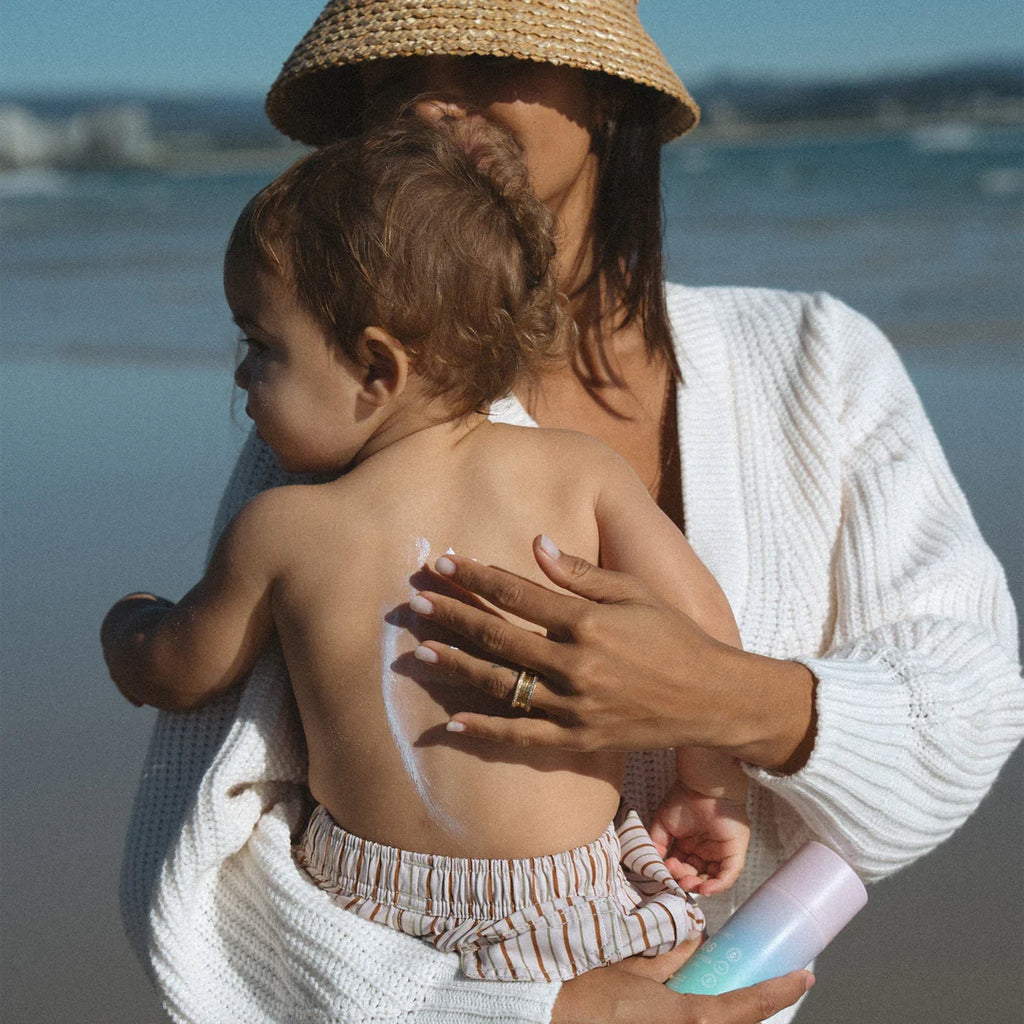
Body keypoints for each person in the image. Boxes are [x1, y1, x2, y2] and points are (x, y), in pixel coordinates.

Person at [118, 2, 1022, 1023]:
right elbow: (203, 865)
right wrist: (542, 1011)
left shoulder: (818, 362)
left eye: (489, 54)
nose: (424, 98)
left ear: (604, 88)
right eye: (385, 80)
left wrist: (725, 700)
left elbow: (973, 697)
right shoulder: (333, 439)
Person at [103, 116, 754, 983]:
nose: (240, 373)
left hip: (365, 914)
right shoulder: (579, 474)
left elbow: (182, 670)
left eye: (261, 345)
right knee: (665, 980)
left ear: (377, 369)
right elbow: (704, 635)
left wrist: (132, 625)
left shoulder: (286, 528)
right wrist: (707, 787)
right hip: (576, 894)